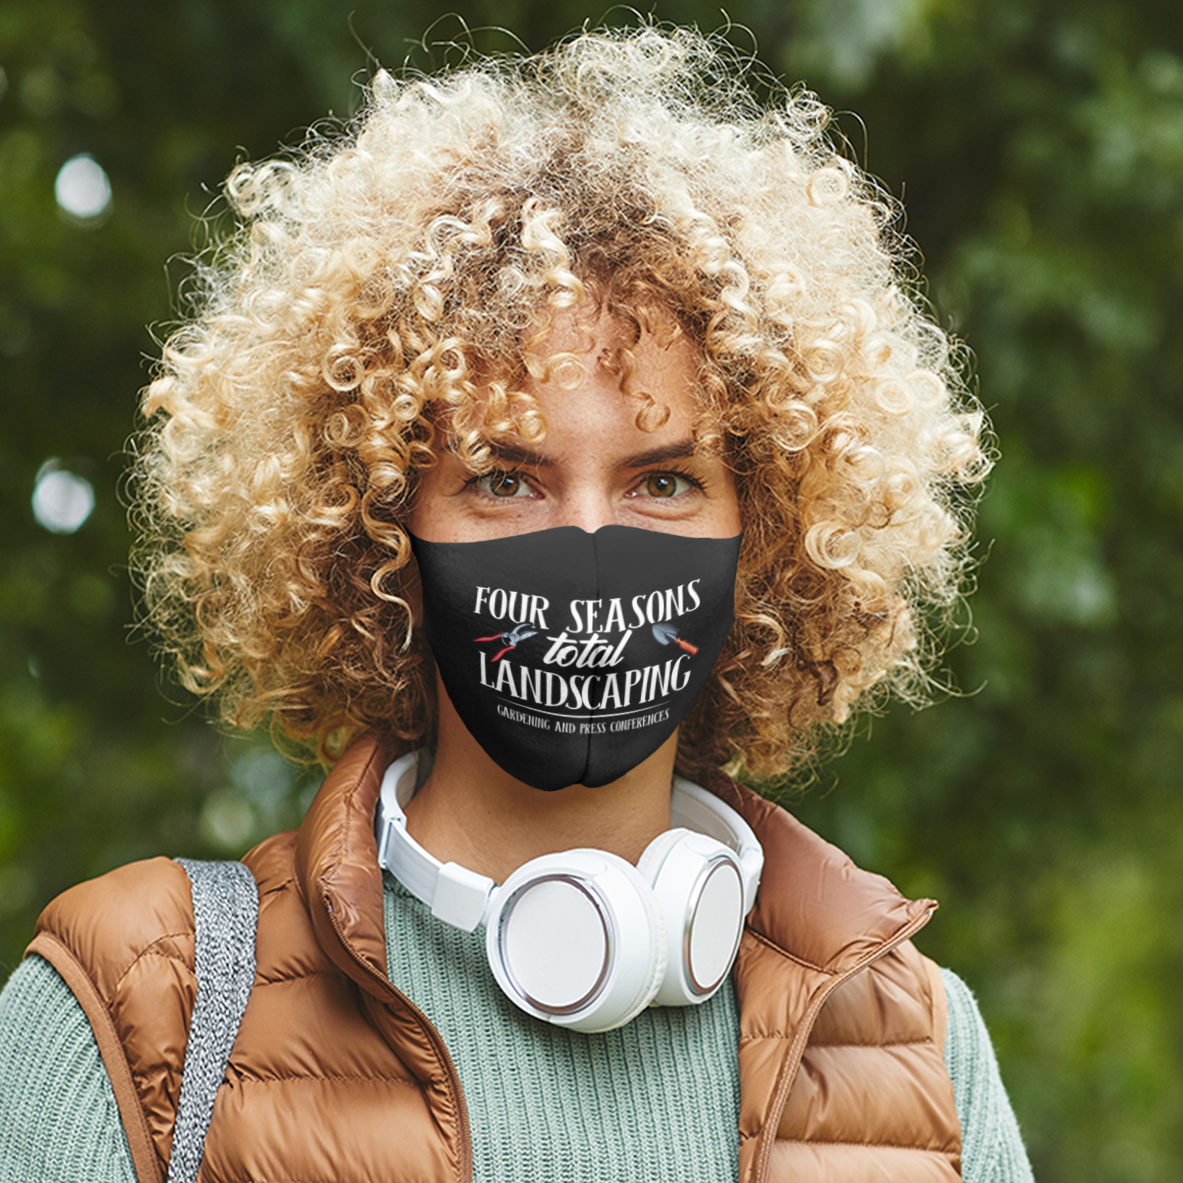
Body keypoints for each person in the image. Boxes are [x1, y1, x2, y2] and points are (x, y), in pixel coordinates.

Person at [0, 25, 1036, 1183]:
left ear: (767, 538)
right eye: (503, 479)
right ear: (376, 529)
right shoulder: (139, 1010)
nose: (587, 545)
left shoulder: (918, 1053)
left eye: (663, 480)